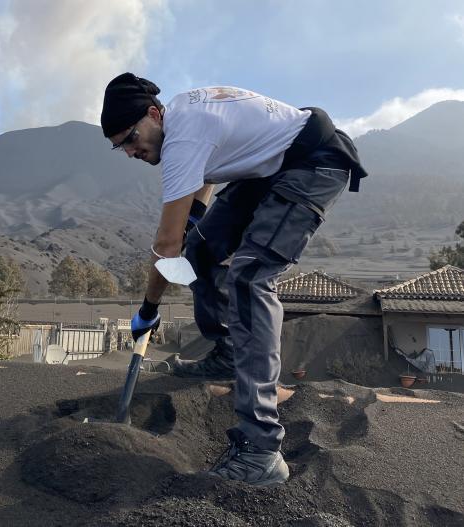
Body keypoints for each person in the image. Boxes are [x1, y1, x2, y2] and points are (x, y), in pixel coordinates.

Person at [100, 72, 367, 486]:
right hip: (271, 166)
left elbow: (165, 246)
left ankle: (261, 449)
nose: (131, 150)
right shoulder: (185, 114)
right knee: (202, 248)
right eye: (121, 147)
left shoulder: (182, 139)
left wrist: (149, 310)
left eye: (132, 137)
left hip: (314, 162)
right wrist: (196, 224)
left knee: (249, 277)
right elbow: (204, 179)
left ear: (154, 114)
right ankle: (226, 352)